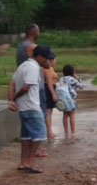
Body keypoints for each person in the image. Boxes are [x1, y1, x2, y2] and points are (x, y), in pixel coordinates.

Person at [9, 45, 53, 173]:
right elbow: (25, 87)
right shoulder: (33, 68)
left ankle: (23, 162)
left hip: (23, 108)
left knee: (26, 137)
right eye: (46, 59)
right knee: (40, 135)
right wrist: (15, 98)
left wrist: (11, 99)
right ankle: (30, 162)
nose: (47, 61)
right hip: (32, 107)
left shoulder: (22, 66)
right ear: (40, 57)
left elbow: (12, 83)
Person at [11, 23, 48, 158]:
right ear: (35, 33)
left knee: (26, 129)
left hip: (25, 88)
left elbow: (13, 82)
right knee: (39, 122)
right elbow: (48, 64)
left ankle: (26, 159)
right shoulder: (32, 49)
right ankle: (33, 155)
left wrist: (13, 98)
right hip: (35, 88)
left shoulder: (20, 47)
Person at [57, 64, 83, 139]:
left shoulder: (61, 79)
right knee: (72, 115)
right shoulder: (72, 79)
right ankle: (73, 132)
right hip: (71, 99)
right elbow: (81, 86)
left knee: (65, 115)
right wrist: (78, 79)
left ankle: (66, 132)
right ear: (72, 72)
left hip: (63, 100)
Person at [43, 53, 59, 139]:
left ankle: (48, 131)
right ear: (51, 60)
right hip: (48, 90)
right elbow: (49, 84)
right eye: (55, 59)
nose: (56, 61)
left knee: (49, 111)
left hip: (50, 89)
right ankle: (49, 132)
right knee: (48, 111)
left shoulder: (50, 68)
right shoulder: (48, 70)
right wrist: (53, 94)